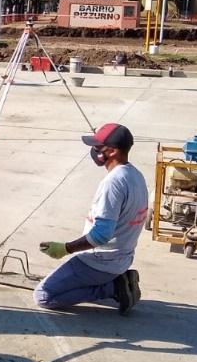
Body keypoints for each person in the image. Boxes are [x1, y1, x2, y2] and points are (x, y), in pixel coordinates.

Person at [34, 122, 148, 315]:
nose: (94, 151)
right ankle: (116, 281)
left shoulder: (113, 183)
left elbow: (101, 235)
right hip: (121, 258)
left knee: (44, 296)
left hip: (99, 262)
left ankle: (114, 288)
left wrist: (65, 248)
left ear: (111, 151)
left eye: (97, 147)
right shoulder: (135, 175)